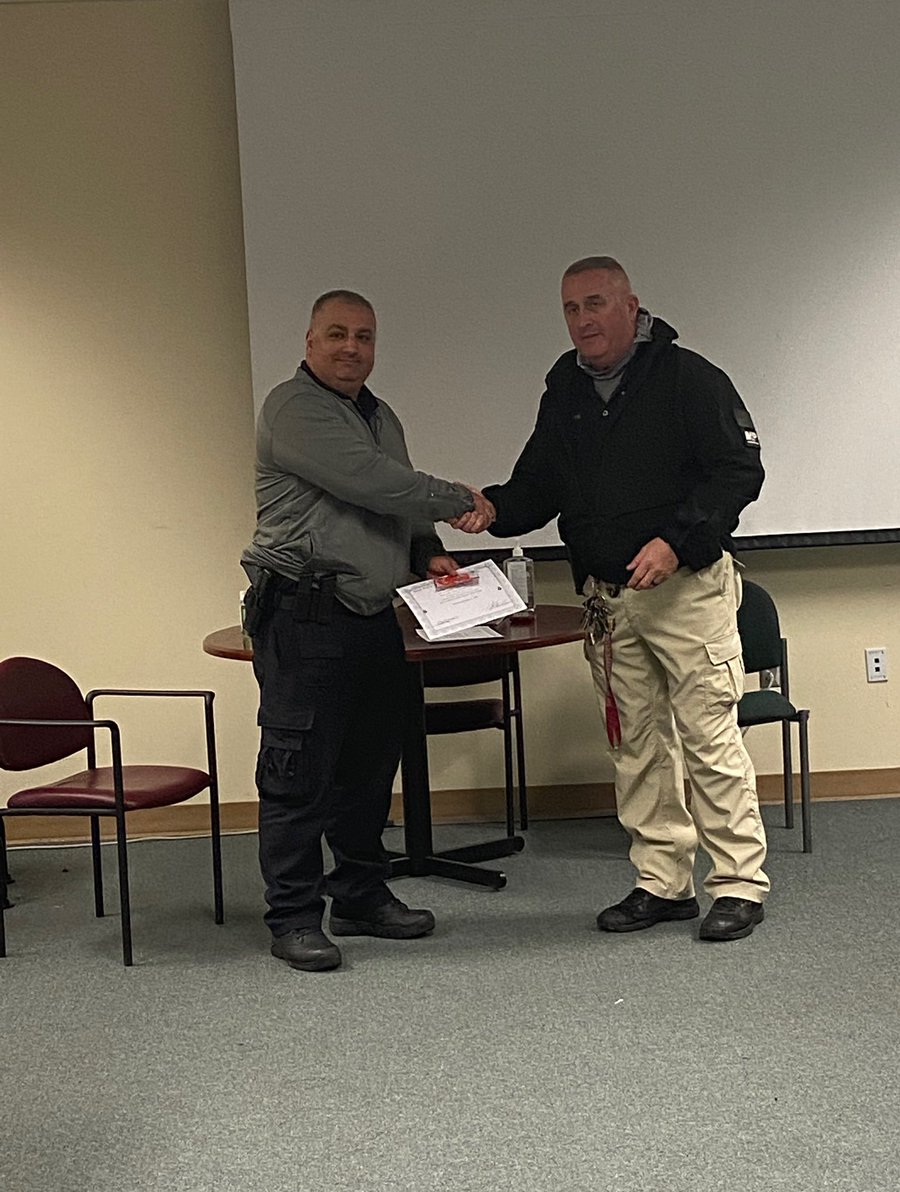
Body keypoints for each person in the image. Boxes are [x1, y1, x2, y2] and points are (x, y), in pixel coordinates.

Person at [472, 256, 769, 941]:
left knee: (708, 737)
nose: (584, 320)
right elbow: (539, 483)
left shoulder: (689, 377)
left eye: (596, 303)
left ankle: (738, 884)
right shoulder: (565, 388)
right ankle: (662, 883)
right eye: (571, 309)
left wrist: (675, 543)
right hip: (608, 603)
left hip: (685, 592)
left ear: (632, 307)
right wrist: (492, 508)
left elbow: (738, 470)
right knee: (635, 744)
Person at [241, 289, 493, 972]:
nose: (351, 347)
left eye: (364, 337)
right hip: (305, 613)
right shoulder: (292, 408)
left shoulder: (380, 415)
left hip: (373, 616)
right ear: (309, 342)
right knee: (298, 776)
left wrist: (427, 550)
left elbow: (396, 503)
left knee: (370, 768)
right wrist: (461, 501)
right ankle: (294, 917)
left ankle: (359, 895)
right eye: (337, 334)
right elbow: (373, 482)